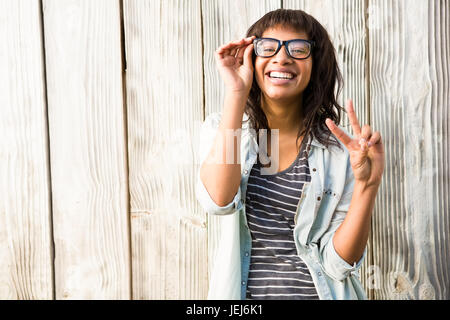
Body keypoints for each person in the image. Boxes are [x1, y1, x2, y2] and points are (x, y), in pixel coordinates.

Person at [195, 8, 385, 300]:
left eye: (298, 49)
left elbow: (337, 265)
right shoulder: (226, 132)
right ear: (251, 57)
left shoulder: (340, 152)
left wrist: (367, 186)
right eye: (268, 48)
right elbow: (220, 201)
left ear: (315, 64)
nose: (282, 58)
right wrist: (236, 92)